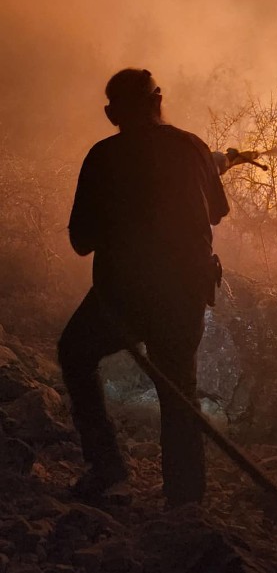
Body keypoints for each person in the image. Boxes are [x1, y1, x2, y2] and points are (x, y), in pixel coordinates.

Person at [58, 68, 239, 506]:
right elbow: (215, 213)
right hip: (185, 293)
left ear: (111, 113)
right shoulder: (193, 147)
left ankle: (106, 468)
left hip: (124, 297)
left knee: (75, 352)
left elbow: (81, 241)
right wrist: (211, 166)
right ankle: (185, 500)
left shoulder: (104, 155)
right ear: (159, 100)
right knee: (179, 390)